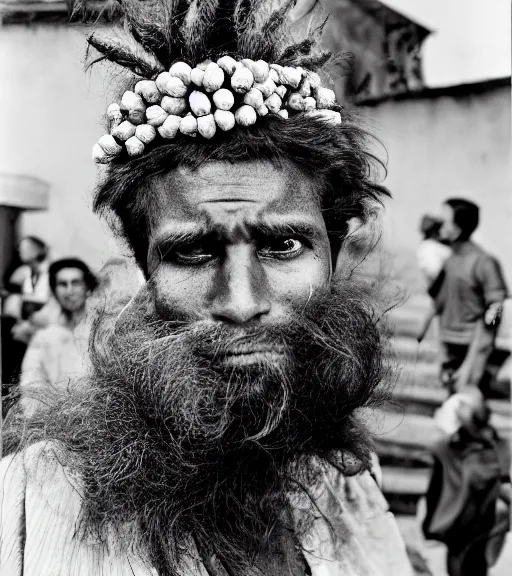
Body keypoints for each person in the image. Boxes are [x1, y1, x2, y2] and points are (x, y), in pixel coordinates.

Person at [0, 2, 414, 575]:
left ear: (334, 254)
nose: (242, 303)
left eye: (284, 246)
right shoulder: (28, 498)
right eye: (192, 252)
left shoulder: (349, 485)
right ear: (146, 268)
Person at [423, 388, 511, 576]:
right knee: (457, 551)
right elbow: (437, 487)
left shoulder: (495, 447)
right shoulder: (447, 449)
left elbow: (501, 479)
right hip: (456, 515)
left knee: (475, 554)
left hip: (480, 516)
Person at [434, 198, 508, 395]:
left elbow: (495, 307)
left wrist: (476, 359)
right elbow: (441, 306)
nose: (438, 225)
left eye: (445, 221)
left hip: (472, 347)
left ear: (459, 228)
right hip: (450, 346)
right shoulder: (450, 260)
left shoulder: (483, 262)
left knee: (466, 407)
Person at [18, 258, 97, 417]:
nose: (69, 291)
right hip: (56, 420)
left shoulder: (99, 330)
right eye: (62, 284)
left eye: (75, 283)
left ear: (87, 287)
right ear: (54, 291)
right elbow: (31, 388)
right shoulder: (45, 337)